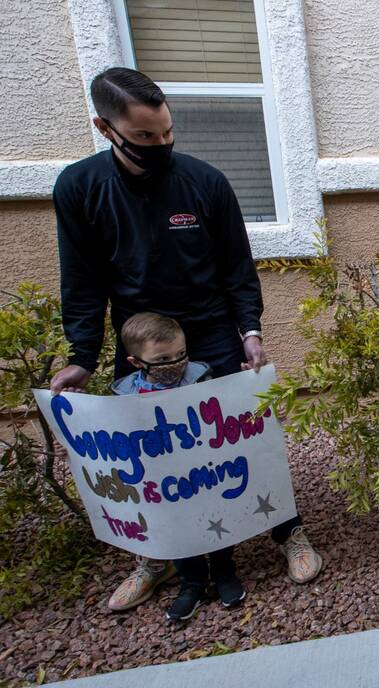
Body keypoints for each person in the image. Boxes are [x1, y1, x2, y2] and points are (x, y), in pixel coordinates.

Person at [50, 67, 322, 613]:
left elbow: (238, 270)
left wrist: (250, 331)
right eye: (146, 137)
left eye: (168, 132)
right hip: (140, 344)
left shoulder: (205, 182)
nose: (162, 145)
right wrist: (81, 356)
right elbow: (81, 282)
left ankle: (286, 530)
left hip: (212, 335)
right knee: (150, 459)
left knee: (246, 440)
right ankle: (156, 557)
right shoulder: (79, 189)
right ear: (106, 129)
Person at [110, 313, 244, 621]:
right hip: (163, 481)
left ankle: (225, 574)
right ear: (136, 362)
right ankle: (192, 584)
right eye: (163, 358)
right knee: (179, 531)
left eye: (181, 354)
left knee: (217, 521)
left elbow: (226, 410)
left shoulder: (200, 378)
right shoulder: (125, 394)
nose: (176, 362)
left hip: (204, 473)